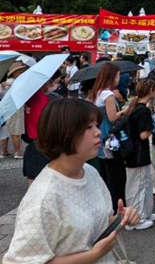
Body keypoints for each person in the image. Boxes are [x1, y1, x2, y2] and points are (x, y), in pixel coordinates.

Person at [4, 98, 139, 263]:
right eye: (89, 127)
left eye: (96, 125)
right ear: (64, 133)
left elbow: (88, 229)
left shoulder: (89, 172)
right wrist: (93, 255)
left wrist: (119, 219)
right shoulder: (43, 197)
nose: (98, 132)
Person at [90, 62, 132, 213]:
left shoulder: (97, 92)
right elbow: (113, 117)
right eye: (118, 75)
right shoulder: (108, 94)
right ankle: (118, 208)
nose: (119, 78)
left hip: (102, 140)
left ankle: (109, 207)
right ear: (112, 76)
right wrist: (126, 110)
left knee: (107, 176)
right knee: (117, 178)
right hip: (111, 140)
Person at [124, 79, 155, 231]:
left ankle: (143, 213)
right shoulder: (143, 110)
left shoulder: (135, 107)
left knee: (142, 183)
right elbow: (144, 135)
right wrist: (153, 125)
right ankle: (136, 219)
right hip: (138, 153)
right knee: (139, 186)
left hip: (134, 153)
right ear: (150, 91)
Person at [21, 70, 64, 184]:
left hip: (33, 142)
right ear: (45, 82)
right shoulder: (45, 100)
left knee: (33, 177)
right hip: (44, 142)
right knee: (42, 178)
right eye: (52, 82)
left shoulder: (29, 97)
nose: (53, 85)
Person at [1, 61, 29, 159]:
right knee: (16, 131)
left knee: (5, 131)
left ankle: (4, 151)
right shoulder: (18, 82)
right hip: (16, 107)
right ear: (14, 72)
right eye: (19, 71)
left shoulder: (6, 82)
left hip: (5, 107)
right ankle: (18, 152)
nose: (21, 72)